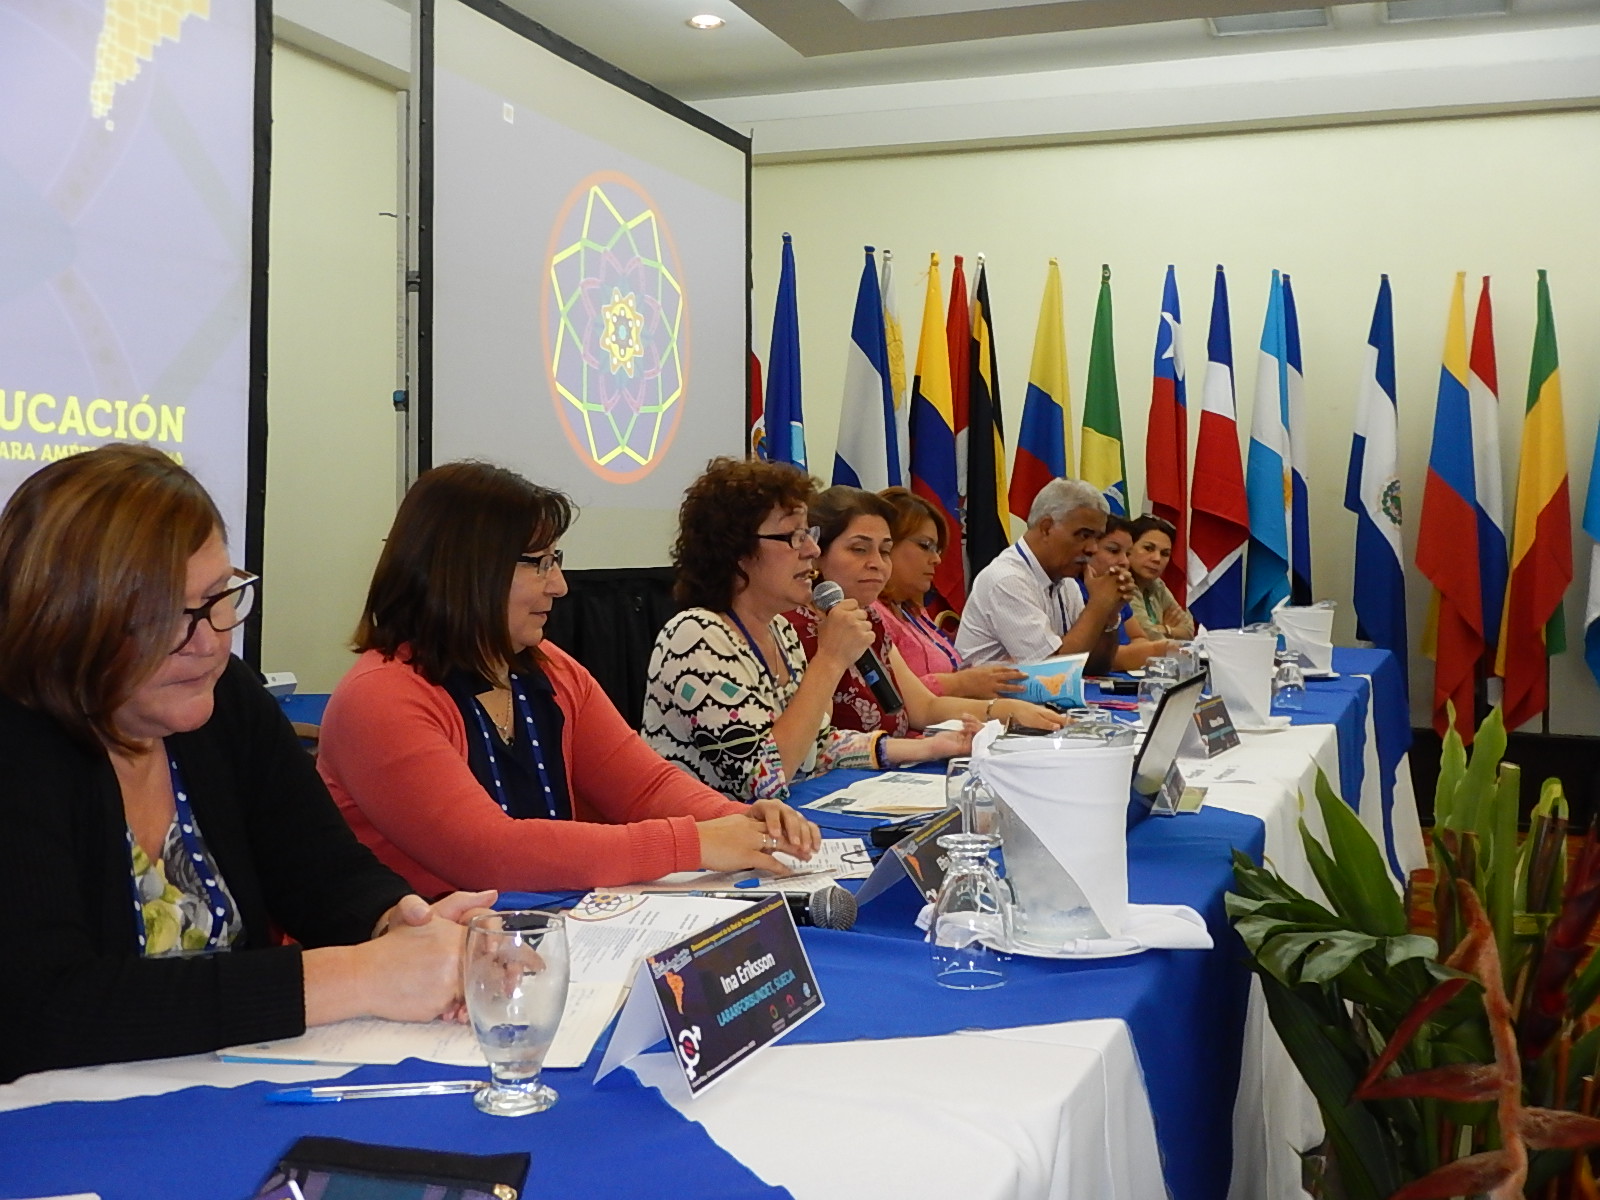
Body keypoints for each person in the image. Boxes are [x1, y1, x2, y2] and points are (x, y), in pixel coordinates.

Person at [0, 445, 481, 1083]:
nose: (210, 640)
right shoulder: (18, 744)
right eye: (166, 615)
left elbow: (321, 871)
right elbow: (42, 1009)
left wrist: (403, 924)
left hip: (223, 1088)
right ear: (66, 621)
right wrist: (357, 975)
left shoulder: (224, 699)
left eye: (219, 596)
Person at [317, 462, 818, 899]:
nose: (558, 586)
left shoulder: (550, 669)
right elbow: (489, 854)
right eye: (540, 564)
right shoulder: (381, 697)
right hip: (417, 951)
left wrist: (741, 820)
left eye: (555, 561)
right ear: (468, 571)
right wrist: (694, 842)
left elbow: (644, 786)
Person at [642, 458, 971, 802]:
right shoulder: (696, 636)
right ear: (738, 549)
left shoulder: (780, 631)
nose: (812, 550)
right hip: (709, 830)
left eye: (809, 535)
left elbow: (817, 745)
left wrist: (931, 747)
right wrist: (829, 659)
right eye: (794, 537)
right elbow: (762, 780)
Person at [787, 486, 1065, 734]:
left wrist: (1005, 711)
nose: (877, 563)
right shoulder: (793, 627)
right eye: (859, 549)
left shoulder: (869, 617)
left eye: (885, 551)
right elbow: (811, 748)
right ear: (816, 554)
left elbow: (924, 708)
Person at [954, 478, 1129, 673]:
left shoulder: (1066, 583)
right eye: (1084, 535)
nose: (1093, 548)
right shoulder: (1007, 579)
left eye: (1097, 538)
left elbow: (1095, 667)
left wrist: (1109, 614)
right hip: (987, 693)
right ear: (1046, 528)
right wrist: (1098, 605)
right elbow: (1052, 673)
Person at [875, 487, 1029, 701]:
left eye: (937, 549)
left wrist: (993, 673)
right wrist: (961, 683)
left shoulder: (911, 609)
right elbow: (888, 697)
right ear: (886, 544)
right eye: (925, 546)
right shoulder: (872, 614)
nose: (937, 560)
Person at [1078, 514, 1181, 671]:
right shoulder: (1075, 589)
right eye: (1113, 551)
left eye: (1127, 554)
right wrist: (1156, 651)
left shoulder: (1117, 588)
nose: (1125, 562)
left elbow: (1139, 637)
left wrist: (1137, 653)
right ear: (1089, 549)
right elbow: (1088, 658)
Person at [1126, 515, 1197, 640]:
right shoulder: (1122, 584)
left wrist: (1165, 629)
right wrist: (1171, 631)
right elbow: (1147, 634)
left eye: (1165, 553)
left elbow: (1189, 630)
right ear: (1128, 548)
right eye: (1148, 548)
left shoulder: (1157, 584)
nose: (1157, 559)